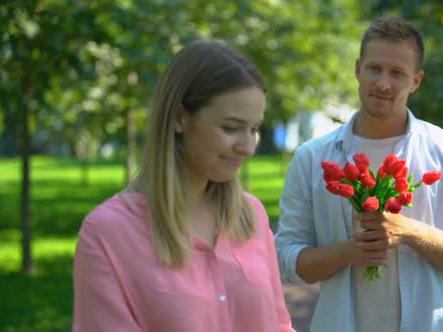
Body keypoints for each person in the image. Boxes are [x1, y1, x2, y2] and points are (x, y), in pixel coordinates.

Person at [275, 16, 443, 332]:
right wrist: (349, 251)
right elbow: (288, 262)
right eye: (374, 69)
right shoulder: (311, 158)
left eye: (397, 73)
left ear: (416, 81)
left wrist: (408, 231)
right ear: (357, 69)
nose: (383, 84)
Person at [73, 41, 294, 332]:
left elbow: (280, 324)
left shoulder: (251, 214)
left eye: (253, 129)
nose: (247, 147)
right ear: (179, 117)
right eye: (231, 128)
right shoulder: (107, 233)